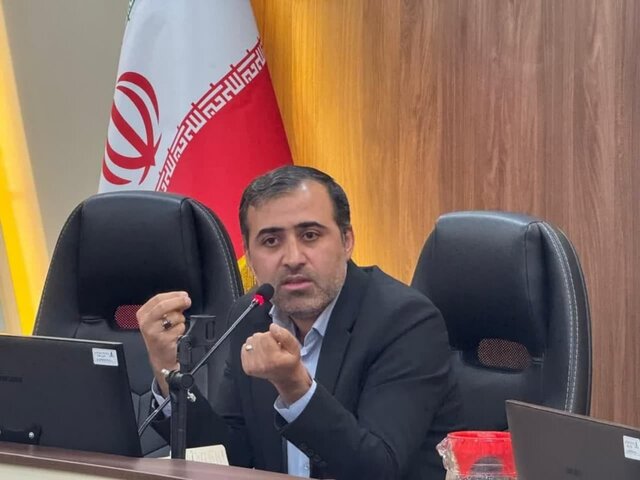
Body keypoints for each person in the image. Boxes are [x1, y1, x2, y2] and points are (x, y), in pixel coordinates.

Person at [137, 166, 462, 479]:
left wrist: (295, 388)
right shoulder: (250, 316)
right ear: (249, 256)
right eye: (271, 241)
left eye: (310, 235)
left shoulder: (405, 321)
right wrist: (168, 370)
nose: (293, 258)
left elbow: (378, 469)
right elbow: (229, 456)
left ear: (347, 241)